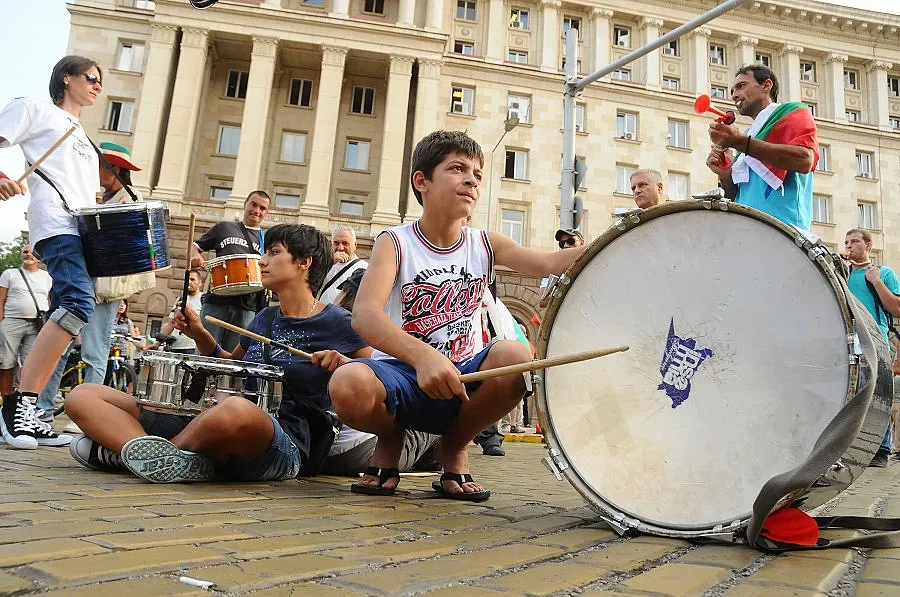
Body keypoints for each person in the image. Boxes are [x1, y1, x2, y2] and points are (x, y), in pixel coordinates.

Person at [327, 130, 586, 501]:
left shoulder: (484, 243)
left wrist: (629, 229)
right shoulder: (396, 242)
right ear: (423, 181)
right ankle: (391, 435)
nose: (472, 180)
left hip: (467, 374)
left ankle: (455, 446)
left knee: (516, 356)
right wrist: (423, 356)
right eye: (457, 168)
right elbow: (365, 316)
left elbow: (548, 263)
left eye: (478, 174)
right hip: (402, 374)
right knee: (346, 384)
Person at [64, 224, 371, 483]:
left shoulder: (340, 322)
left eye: (274, 252)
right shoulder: (265, 317)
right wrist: (198, 332)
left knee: (235, 411)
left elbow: (374, 380)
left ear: (304, 262)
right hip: (211, 420)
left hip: (281, 441)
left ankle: (136, 453)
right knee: (83, 395)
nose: (262, 261)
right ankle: (164, 459)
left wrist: (345, 365)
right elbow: (231, 366)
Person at [0, 55, 105, 450]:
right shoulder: (34, 109)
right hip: (55, 224)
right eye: (92, 78)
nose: (98, 86)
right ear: (67, 77)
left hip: (81, 230)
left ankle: (35, 414)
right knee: (79, 302)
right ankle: (18, 406)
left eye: (100, 82)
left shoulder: (82, 134)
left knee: (65, 314)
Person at [37, 142, 149, 427]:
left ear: (114, 170)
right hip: (77, 280)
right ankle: (44, 409)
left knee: (94, 352)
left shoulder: (129, 201)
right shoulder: (95, 194)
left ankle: (87, 414)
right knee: (60, 347)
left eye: (99, 166)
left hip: (102, 287)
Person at [706, 64, 819, 232]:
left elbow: (804, 160)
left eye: (741, 86)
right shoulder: (747, 136)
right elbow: (737, 196)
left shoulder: (793, 111)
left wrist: (740, 142)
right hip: (748, 231)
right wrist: (725, 174)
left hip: (785, 231)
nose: (735, 95)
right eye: (732, 91)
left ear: (766, 86)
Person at [844, 228, 900, 467]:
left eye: (855, 241)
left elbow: (896, 308)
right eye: (847, 242)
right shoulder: (841, 272)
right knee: (849, 393)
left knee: (878, 393)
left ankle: (881, 448)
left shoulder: (883, 272)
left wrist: (876, 281)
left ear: (868, 245)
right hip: (846, 338)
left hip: (875, 338)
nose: (849, 245)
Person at [191, 191, 270, 352]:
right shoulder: (224, 227)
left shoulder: (266, 239)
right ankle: (199, 378)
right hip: (216, 300)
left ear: (266, 213)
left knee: (235, 357)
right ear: (245, 204)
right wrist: (195, 255)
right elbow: (196, 246)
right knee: (205, 352)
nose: (257, 210)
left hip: (247, 305)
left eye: (262, 208)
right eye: (253, 205)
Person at [0, 245, 52, 396]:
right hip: (12, 321)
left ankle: (23, 400)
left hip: (37, 324)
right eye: (25, 252)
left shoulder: (47, 277)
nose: (28, 255)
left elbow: (50, 299)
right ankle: (7, 400)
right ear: (21, 255)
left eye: (32, 252)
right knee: (6, 362)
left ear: (39, 257)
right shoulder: (10, 274)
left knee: (30, 364)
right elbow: (1, 299)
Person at [318, 226, 368, 304]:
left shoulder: (364, 268)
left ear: (355, 245)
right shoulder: (322, 263)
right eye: (336, 243)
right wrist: (329, 262)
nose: (340, 248)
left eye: (345, 243)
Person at [158, 269, 204, 354]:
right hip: (175, 347)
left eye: (192, 279)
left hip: (192, 347)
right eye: (187, 280)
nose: (189, 282)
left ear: (200, 283)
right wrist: (157, 344)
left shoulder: (203, 299)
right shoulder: (180, 299)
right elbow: (171, 323)